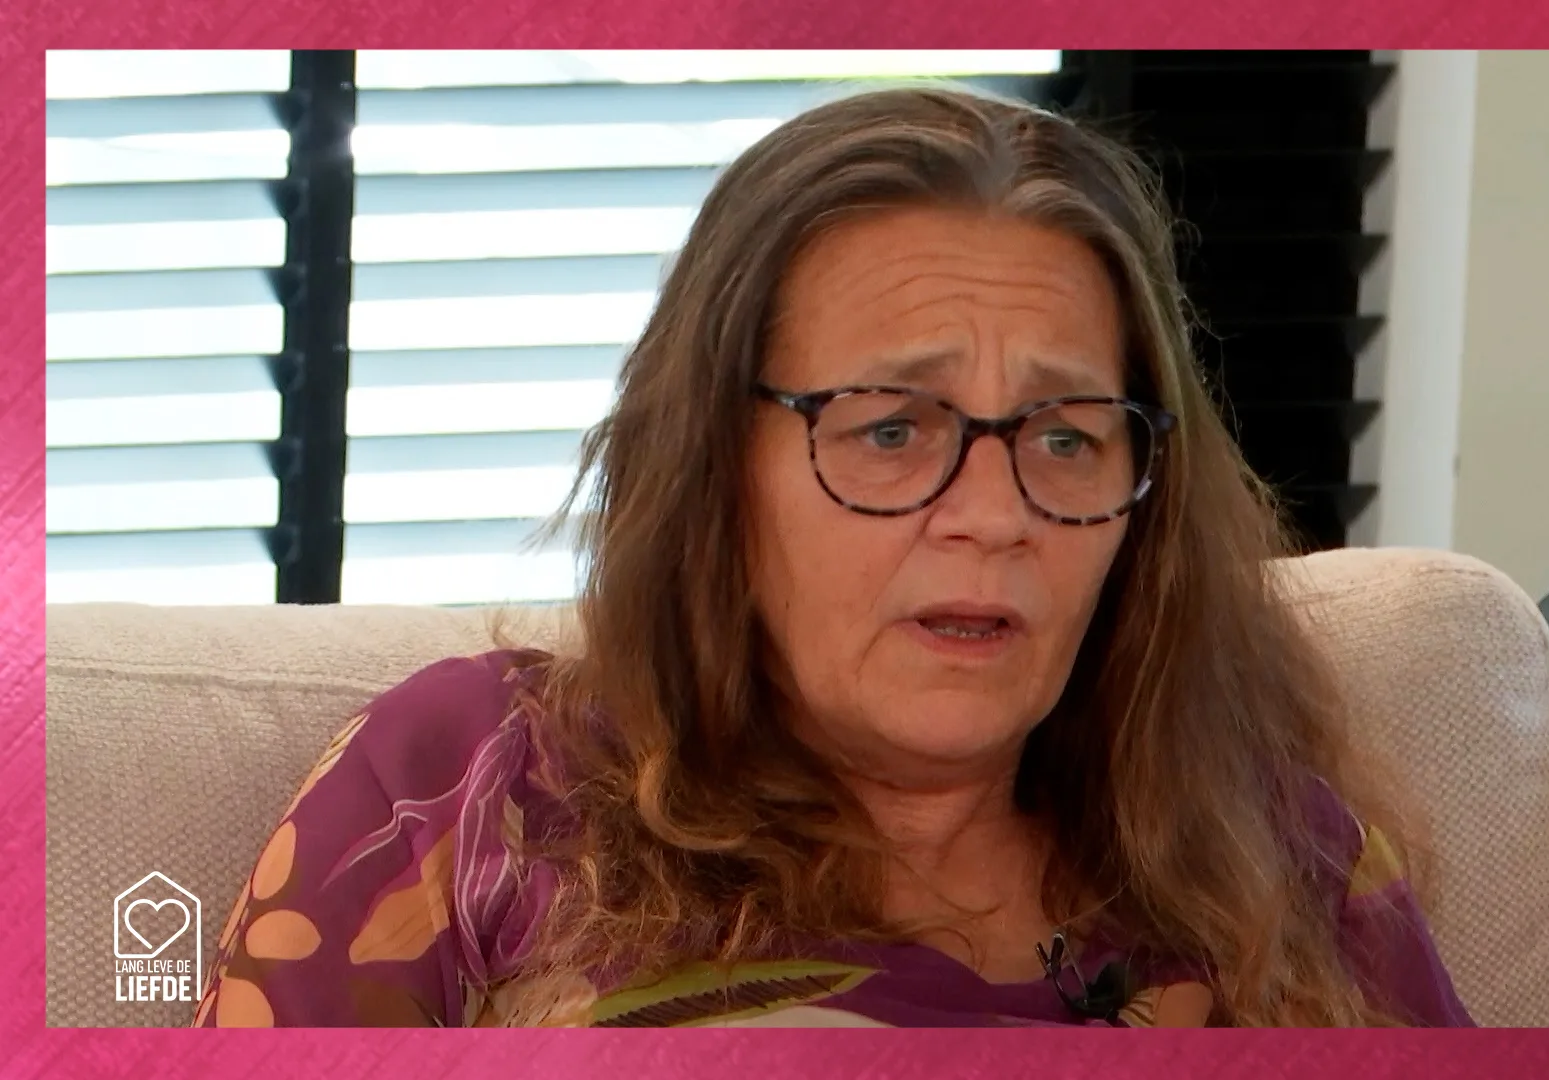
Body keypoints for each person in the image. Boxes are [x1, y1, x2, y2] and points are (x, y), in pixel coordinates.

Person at [194, 84, 1472, 1029]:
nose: (994, 514)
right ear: (712, 470)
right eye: (892, 430)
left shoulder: (1279, 859)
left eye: (1066, 438)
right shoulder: (467, 791)